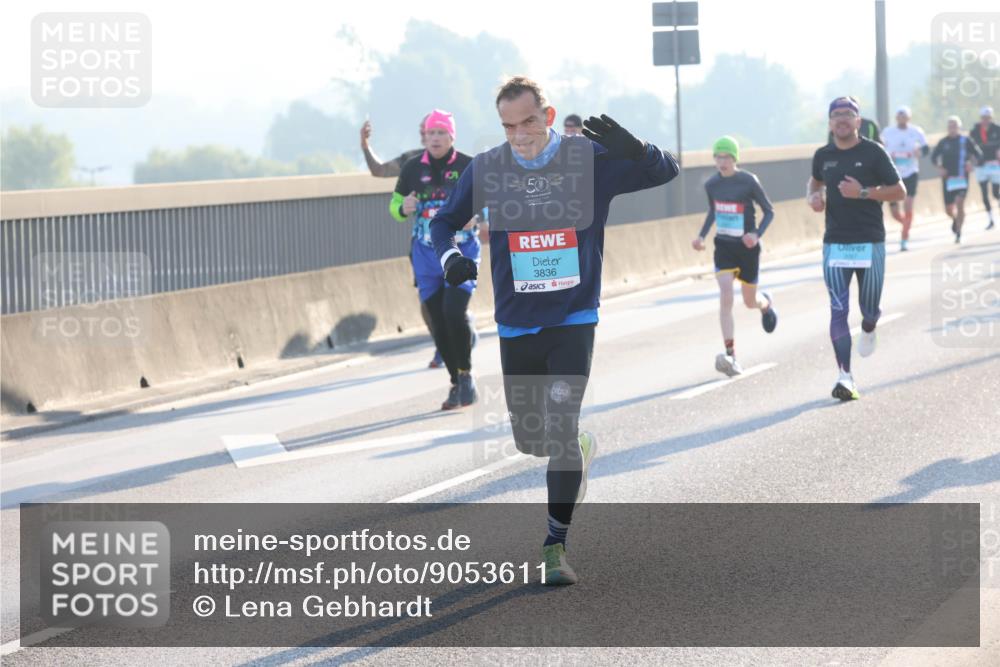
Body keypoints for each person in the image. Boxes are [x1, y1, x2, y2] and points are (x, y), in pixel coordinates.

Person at [431, 76, 678, 584]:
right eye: (508, 126)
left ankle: (554, 546)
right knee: (532, 441)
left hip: (574, 318)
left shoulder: (587, 159)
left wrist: (640, 150)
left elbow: (668, 171)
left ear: (548, 114)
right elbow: (443, 223)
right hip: (517, 323)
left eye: (527, 122)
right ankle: (578, 449)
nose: (519, 135)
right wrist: (452, 256)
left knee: (560, 430)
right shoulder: (489, 167)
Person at [807, 97, 905, 401]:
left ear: (858, 121)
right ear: (830, 122)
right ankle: (845, 377)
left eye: (848, 114)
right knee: (838, 309)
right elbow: (814, 185)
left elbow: (899, 190)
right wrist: (814, 198)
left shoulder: (873, 152)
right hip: (835, 242)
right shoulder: (823, 155)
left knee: (868, 306)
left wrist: (862, 192)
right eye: (836, 115)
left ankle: (870, 323)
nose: (842, 120)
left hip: (870, 241)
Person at [390, 110, 482, 409]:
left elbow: (490, 201)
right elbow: (394, 206)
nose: (435, 138)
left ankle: (466, 375)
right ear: (424, 137)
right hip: (426, 254)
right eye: (431, 133)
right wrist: (403, 207)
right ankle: (456, 382)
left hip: (461, 250)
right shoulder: (412, 168)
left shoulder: (469, 165)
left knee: (454, 312)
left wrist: (477, 218)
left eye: (441, 133)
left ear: (452, 136)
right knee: (438, 321)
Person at [692, 135, 777, 377]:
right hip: (725, 248)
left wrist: (756, 234)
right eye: (718, 157)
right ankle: (731, 355)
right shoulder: (712, 185)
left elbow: (769, 211)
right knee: (726, 294)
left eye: (727, 157)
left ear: (735, 158)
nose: (722, 162)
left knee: (750, 302)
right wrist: (701, 236)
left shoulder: (748, 181)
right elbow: (714, 211)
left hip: (747, 249)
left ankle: (765, 303)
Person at [880, 106, 929, 251]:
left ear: (909, 118)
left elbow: (926, 148)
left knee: (908, 205)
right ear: (896, 118)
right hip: (892, 174)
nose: (902, 119)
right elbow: (879, 147)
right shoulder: (888, 132)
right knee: (895, 213)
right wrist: (888, 155)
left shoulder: (916, 131)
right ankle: (906, 225)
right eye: (899, 116)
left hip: (911, 173)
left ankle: (904, 238)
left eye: (904, 116)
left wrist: (919, 151)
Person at [932, 116, 982, 244]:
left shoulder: (966, 141)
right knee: (948, 209)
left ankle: (959, 232)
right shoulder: (943, 142)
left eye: (955, 126)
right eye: (950, 126)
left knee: (960, 202)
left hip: (962, 178)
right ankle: (955, 220)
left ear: (959, 127)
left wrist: (971, 163)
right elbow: (934, 157)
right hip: (948, 180)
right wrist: (940, 168)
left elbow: (978, 154)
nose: (952, 128)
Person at [361, 117, 426, 178]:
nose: (422, 132)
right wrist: (365, 143)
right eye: (422, 130)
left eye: (432, 131)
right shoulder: (412, 160)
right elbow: (379, 170)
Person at [969, 105, 1000, 230]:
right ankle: (990, 219)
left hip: (995, 164)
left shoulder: (997, 129)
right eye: (983, 118)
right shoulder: (975, 131)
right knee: (984, 192)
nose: (985, 120)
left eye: (988, 118)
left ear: (991, 118)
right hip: (981, 165)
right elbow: (969, 146)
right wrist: (972, 159)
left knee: (995, 192)